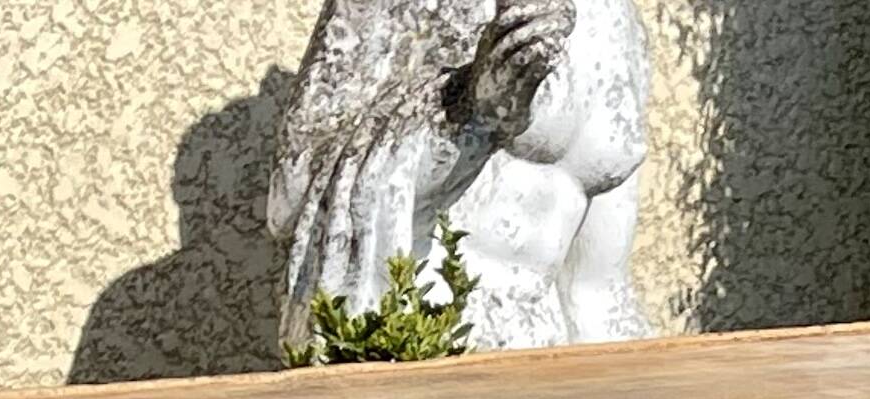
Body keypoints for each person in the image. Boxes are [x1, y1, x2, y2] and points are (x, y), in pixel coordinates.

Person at [268, 0, 651, 352]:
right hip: (414, 339)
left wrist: (633, 396)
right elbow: (291, 195)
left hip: (544, 361)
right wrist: (467, 109)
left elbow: (597, 288)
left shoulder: (621, 21)